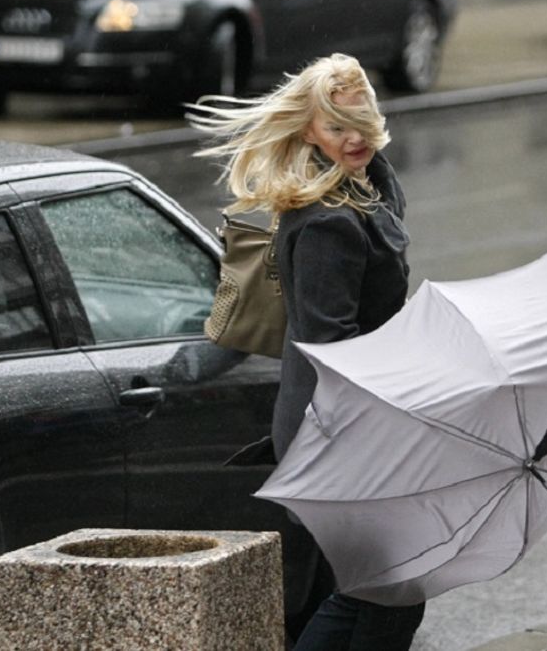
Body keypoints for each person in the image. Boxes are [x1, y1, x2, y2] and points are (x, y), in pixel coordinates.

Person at [187, 54, 421, 650]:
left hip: (358, 421)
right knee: (384, 590)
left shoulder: (369, 185)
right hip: (340, 426)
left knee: (371, 590)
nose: (354, 138)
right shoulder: (327, 223)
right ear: (308, 130)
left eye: (362, 121)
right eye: (336, 126)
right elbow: (327, 345)